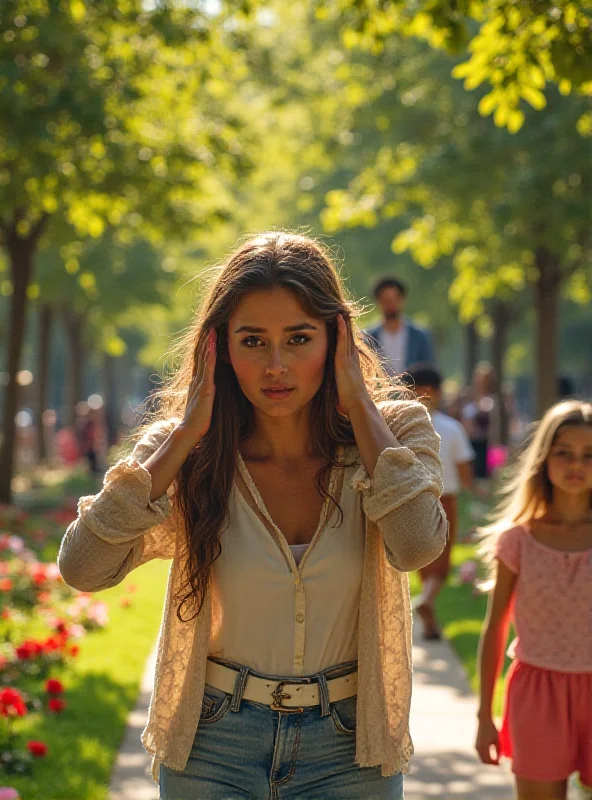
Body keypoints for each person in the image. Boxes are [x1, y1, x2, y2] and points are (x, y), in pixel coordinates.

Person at [58, 233, 447, 799]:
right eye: (253, 341)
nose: (276, 365)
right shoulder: (188, 453)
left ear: (337, 339)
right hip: (214, 743)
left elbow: (416, 546)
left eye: (298, 339)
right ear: (220, 348)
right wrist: (186, 434)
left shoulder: (394, 433)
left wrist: (360, 403)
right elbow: (83, 567)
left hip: (348, 748)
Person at [475, 400, 592, 800]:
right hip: (536, 693)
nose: (577, 464)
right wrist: (484, 717)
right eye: (564, 453)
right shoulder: (518, 541)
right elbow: (494, 629)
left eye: (589, 455)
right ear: (544, 459)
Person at [406, 364, 477, 640]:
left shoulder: (404, 427)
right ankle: (426, 602)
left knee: (425, 560)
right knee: (442, 561)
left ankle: (430, 619)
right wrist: (473, 489)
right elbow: (464, 470)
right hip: (445, 499)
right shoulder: (452, 427)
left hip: (415, 500)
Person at [365, 276, 434, 374]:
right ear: (378, 301)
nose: (391, 304)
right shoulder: (368, 338)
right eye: (386, 300)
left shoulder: (420, 336)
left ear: (402, 299)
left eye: (394, 299)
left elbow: (429, 372)